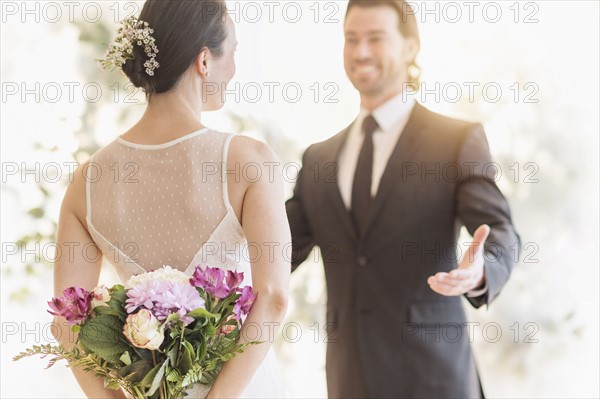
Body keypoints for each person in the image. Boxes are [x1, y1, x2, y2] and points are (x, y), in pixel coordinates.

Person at [51, 1, 289, 398]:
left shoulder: (87, 180)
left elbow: (65, 320)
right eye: (232, 52)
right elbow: (275, 298)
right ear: (204, 61)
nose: (234, 68)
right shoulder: (249, 161)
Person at [286, 1, 521, 397]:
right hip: (349, 382)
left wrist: (481, 270)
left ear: (411, 47)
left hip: (434, 379)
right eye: (351, 39)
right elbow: (273, 251)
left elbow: (499, 229)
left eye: (376, 39)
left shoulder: (454, 141)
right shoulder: (318, 159)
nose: (360, 52)